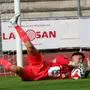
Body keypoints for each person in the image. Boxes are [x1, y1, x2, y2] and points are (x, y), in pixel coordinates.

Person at [0, 14, 86, 81]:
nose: (80, 60)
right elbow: (59, 60)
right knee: (30, 47)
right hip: (39, 65)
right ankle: (15, 24)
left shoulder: (74, 72)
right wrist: (75, 64)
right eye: (79, 58)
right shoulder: (64, 60)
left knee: (14, 69)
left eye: (82, 59)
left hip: (33, 76)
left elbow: (79, 75)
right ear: (72, 57)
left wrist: (85, 68)